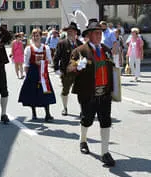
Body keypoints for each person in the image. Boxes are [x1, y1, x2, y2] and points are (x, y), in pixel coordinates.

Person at [67, 19, 115, 167]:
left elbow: (112, 69)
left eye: (100, 32)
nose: (99, 35)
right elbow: (69, 69)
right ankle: (83, 140)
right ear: (89, 35)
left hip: (104, 92)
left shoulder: (106, 50)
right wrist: (76, 66)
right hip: (88, 93)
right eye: (96, 33)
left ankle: (105, 152)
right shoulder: (80, 51)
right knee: (87, 119)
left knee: (105, 121)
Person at [18, 28, 56, 122]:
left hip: (43, 73)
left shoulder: (45, 47)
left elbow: (50, 60)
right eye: (34, 36)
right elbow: (26, 63)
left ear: (40, 36)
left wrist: (43, 61)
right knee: (32, 93)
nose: (35, 37)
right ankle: (34, 113)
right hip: (33, 72)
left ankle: (47, 114)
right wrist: (26, 75)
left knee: (46, 92)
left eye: (37, 35)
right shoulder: (28, 48)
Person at [54, 22, 83, 116]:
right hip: (66, 72)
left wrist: (82, 65)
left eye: (72, 31)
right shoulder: (62, 43)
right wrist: (57, 69)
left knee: (81, 91)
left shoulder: (80, 43)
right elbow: (56, 57)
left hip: (78, 72)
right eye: (68, 31)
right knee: (65, 90)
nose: (70, 33)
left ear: (76, 33)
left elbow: (84, 57)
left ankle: (82, 110)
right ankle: (65, 108)